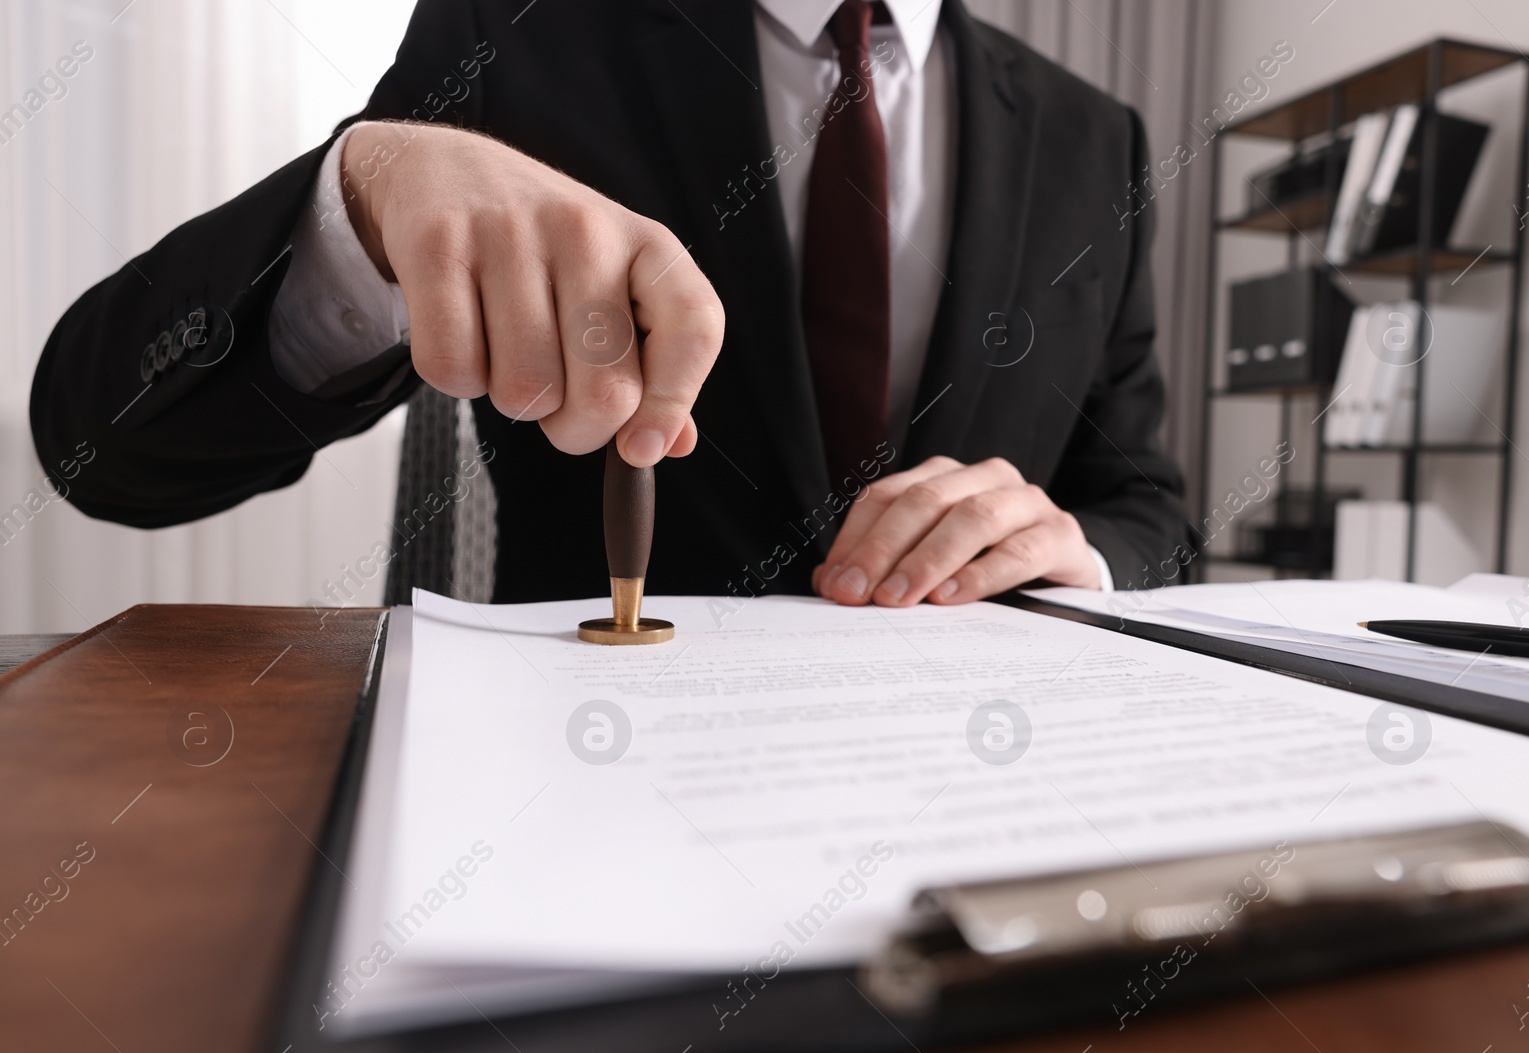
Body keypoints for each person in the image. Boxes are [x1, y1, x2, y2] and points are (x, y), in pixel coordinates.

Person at [30, 0, 1192, 608]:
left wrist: (1076, 549)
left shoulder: (1101, 139)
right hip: (587, 791)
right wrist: (363, 213)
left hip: (986, 796)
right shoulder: (518, 22)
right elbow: (100, 450)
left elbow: (1147, 505)